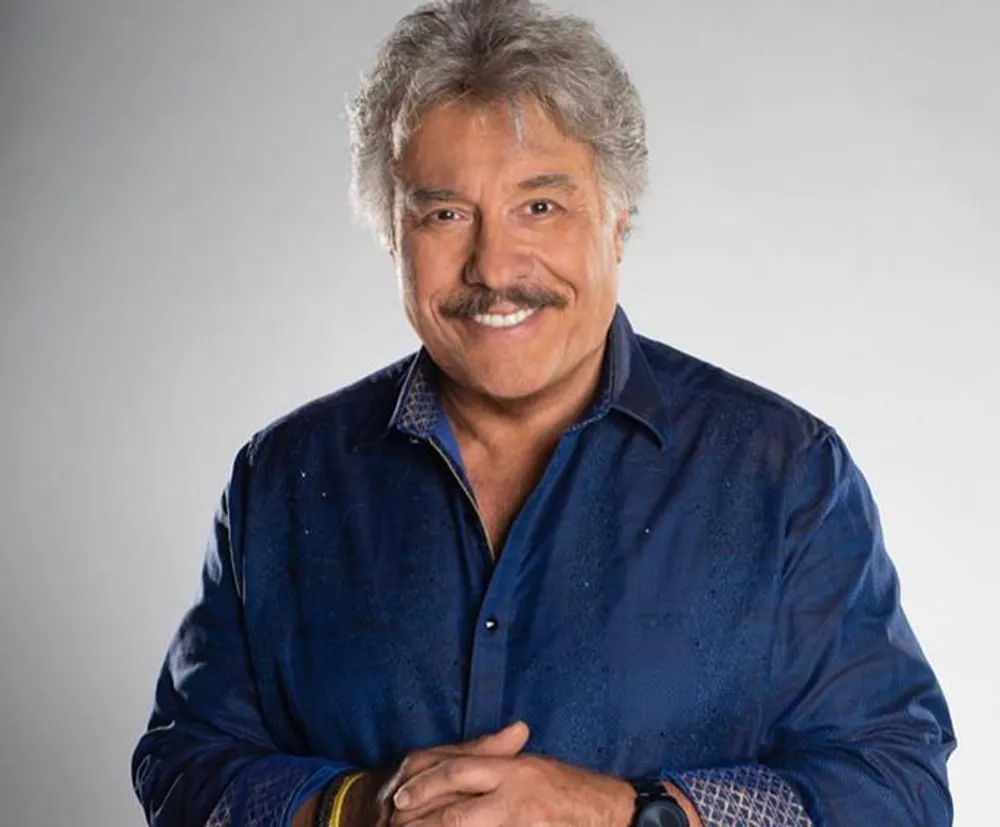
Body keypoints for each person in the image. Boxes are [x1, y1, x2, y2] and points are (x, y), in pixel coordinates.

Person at [130, 1, 956, 825]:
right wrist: (357, 808)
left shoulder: (784, 473)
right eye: (446, 213)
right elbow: (184, 764)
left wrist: (628, 814)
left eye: (541, 206)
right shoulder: (278, 480)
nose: (494, 266)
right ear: (393, 233)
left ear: (617, 224)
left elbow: (897, 786)